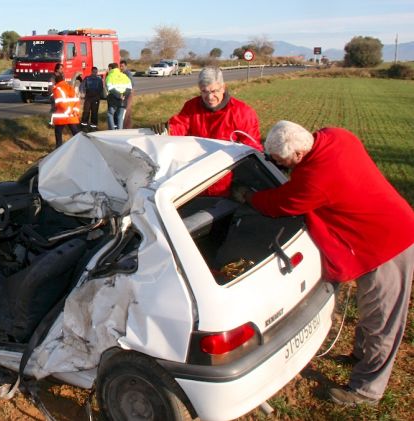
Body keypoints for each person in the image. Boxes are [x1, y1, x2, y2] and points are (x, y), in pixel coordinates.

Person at [235, 120, 414, 407]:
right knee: (370, 305)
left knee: (383, 317)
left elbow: (280, 204)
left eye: (282, 161)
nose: (279, 165)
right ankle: (360, 354)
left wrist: (248, 196)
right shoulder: (336, 136)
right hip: (384, 225)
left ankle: (367, 391)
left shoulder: (315, 179)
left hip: (387, 244)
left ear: (297, 155)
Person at [153, 66, 262, 195]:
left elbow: (253, 149)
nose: (209, 97)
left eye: (214, 91)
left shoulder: (242, 113)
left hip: (226, 184)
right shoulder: (191, 107)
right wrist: (167, 131)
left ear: (223, 87)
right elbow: (180, 125)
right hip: (195, 181)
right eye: (204, 92)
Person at [50, 72, 81, 148]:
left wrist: (68, 112)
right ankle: (81, 146)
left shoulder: (57, 89)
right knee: (75, 132)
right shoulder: (69, 87)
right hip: (71, 115)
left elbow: (61, 103)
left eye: (52, 80)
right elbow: (76, 100)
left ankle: (59, 148)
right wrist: (75, 111)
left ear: (55, 80)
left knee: (58, 132)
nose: (51, 81)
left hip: (63, 116)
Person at [105, 63, 132, 130]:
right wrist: (123, 96)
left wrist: (119, 96)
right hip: (123, 100)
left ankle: (112, 130)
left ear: (110, 68)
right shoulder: (124, 76)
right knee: (120, 117)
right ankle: (120, 132)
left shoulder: (110, 76)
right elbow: (129, 88)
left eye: (109, 68)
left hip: (114, 100)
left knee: (110, 114)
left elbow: (110, 89)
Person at [79, 67, 104, 131]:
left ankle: (93, 127)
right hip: (88, 98)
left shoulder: (99, 79)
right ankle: (84, 126)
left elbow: (101, 88)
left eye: (96, 72)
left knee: (94, 113)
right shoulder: (87, 78)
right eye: (94, 72)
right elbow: (82, 86)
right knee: (86, 112)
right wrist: (82, 93)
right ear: (91, 71)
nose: (95, 73)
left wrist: (100, 95)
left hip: (96, 98)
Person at [120, 60, 135, 129]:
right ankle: (124, 126)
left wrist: (127, 93)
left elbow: (131, 84)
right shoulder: (121, 73)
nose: (121, 67)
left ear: (126, 66)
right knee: (124, 110)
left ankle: (128, 127)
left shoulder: (128, 73)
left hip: (128, 93)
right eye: (120, 66)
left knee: (127, 110)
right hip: (124, 93)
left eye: (122, 66)